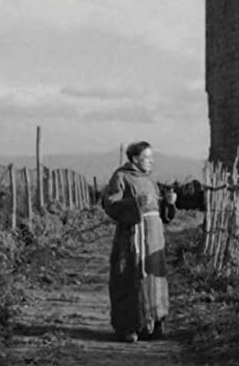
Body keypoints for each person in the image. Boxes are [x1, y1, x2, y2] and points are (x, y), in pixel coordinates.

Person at [101, 141, 177, 343]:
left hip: (153, 238)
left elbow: (159, 211)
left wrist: (168, 204)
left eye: (152, 158)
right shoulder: (121, 177)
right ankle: (128, 327)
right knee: (129, 276)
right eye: (147, 157)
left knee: (153, 279)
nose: (151, 161)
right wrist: (133, 204)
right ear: (135, 159)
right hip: (131, 238)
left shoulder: (149, 181)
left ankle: (152, 326)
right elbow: (110, 204)